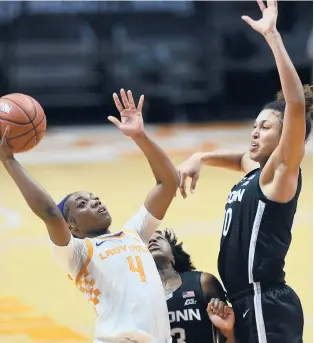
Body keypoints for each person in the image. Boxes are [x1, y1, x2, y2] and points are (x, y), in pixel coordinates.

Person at [177, 1, 312, 342]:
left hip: (265, 298)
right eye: (254, 125)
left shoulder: (281, 173)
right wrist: (201, 157)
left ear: (287, 139)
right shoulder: (258, 172)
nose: (255, 131)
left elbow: (295, 104)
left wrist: (273, 37)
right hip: (243, 301)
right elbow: (240, 160)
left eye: (266, 127)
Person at [0, 89, 179, 343]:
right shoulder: (77, 253)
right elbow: (50, 213)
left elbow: (168, 183)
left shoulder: (134, 234)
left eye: (93, 197)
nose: (94, 202)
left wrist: (140, 136)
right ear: (71, 226)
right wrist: (9, 161)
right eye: (82, 204)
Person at [148, 229, 235, 343]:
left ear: (172, 256)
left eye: (159, 238)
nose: (153, 240)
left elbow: (229, 336)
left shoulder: (203, 282)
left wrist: (228, 331)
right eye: (146, 241)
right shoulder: (135, 296)